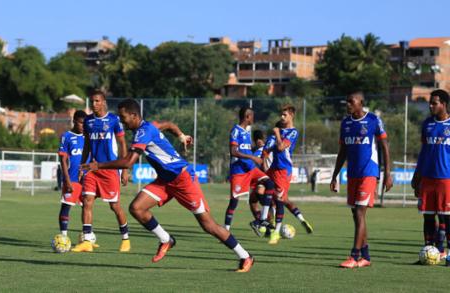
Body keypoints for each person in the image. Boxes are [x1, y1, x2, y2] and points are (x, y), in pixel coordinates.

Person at [81, 99, 255, 272]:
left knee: (208, 225)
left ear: (134, 115)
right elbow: (170, 125)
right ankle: (166, 239)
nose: (121, 120)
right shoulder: (149, 126)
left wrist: (99, 165)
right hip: (165, 180)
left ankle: (245, 256)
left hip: (183, 179)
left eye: (123, 116)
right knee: (137, 208)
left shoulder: (144, 132)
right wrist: (181, 136)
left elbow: (128, 162)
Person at [330, 92, 392, 268]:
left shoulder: (373, 120)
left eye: (351, 101)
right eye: (347, 101)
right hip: (352, 174)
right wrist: (335, 175)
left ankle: (354, 256)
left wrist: (387, 173)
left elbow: (384, 147)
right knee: (356, 215)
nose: (348, 104)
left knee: (359, 212)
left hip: (369, 172)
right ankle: (366, 256)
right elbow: (342, 152)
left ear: (361, 103)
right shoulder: (345, 123)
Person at [411, 89, 450, 267]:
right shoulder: (427, 124)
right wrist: (417, 175)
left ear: (444, 104)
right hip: (427, 178)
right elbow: (423, 152)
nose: (431, 106)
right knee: (428, 217)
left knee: (447, 217)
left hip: (447, 178)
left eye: (434, 103)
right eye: (430, 102)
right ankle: (429, 252)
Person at [73, 90, 131, 253]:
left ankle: (125, 238)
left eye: (97, 101)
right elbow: (87, 146)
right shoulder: (88, 122)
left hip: (110, 169)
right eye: (92, 101)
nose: (94, 104)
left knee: (115, 206)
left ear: (104, 102)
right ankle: (86, 240)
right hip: (92, 168)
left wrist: (124, 169)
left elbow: (122, 144)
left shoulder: (114, 120)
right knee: (87, 201)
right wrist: (82, 165)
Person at [225, 107, 276, 235]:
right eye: (252, 116)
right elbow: (233, 152)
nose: (253, 119)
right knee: (234, 202)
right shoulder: (235, 131)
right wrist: (252, 157)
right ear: (247, 117)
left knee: (269, 184)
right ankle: (225, 231)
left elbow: (246, 149)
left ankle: (262, 219)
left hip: (251, 169)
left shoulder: (246, 132)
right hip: (239, 171)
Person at [266, 105, 313, 244]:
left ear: (292, 115)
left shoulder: (293, 132)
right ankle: (266, 222)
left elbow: (281, 147)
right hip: (273, 169)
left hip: (283, 170)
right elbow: (268, 149)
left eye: (284, 115)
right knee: (262, 191)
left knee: (280, 200)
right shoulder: (278, 131)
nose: (282, 117)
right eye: (281, 114)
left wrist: (277, 134)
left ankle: (276, 232)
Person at [57, 110, 87, 241]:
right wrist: (67, 180)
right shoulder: (66, 136)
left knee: (87, 206)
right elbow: (62, 160)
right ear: (74, 121)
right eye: (81, 123)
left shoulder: (88, 137)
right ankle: (63, 237)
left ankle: (86, 236)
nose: (83, 126)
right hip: (72, 179)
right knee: (66, 206)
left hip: (86, 180)